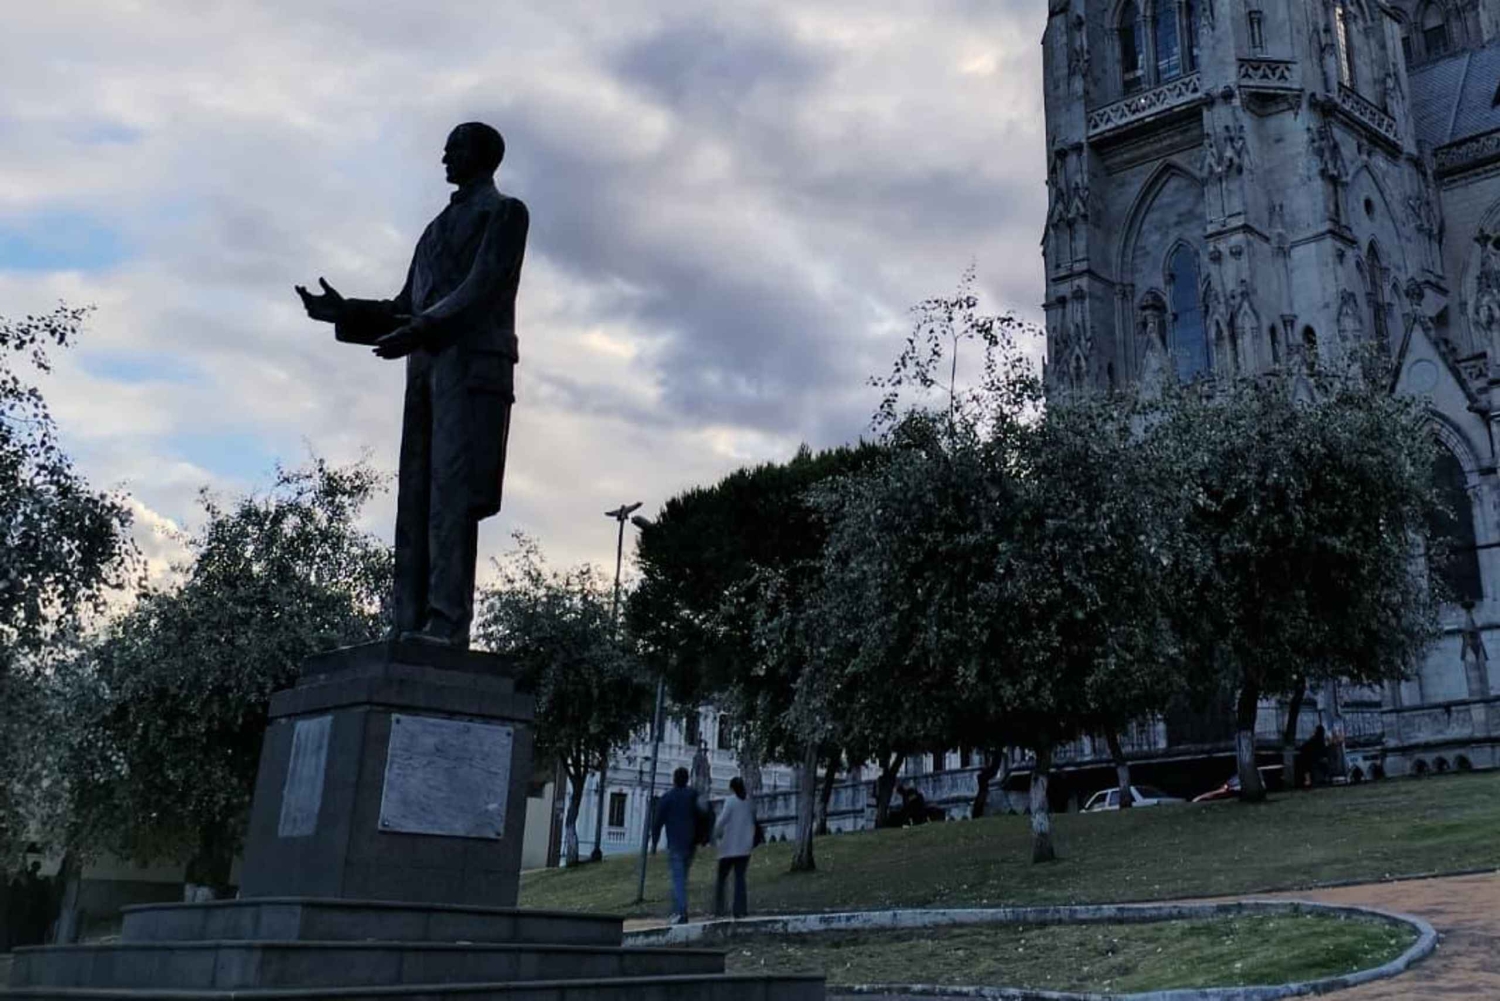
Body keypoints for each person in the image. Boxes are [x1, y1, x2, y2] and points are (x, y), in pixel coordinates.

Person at [296, 121, 529, 648]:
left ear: (485, 156)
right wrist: (345, 312)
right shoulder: (433, 230)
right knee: (417, 497)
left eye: (456, 146)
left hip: (471, 371)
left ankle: (446, 625)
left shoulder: (505, 213)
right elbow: (407, 307)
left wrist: (423, 328)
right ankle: (408, 623)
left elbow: (481, 288)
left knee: (452, 497)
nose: (444, 154)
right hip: (425, 369)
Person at [652, 766, 707, 924]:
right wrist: (704, 837)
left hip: (676, 843)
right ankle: (677, 909)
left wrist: (654, 843)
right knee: (682, 878)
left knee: (678, 879)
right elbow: (704, 814)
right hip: (691, 842)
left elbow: (657, 822)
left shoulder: (668, 798)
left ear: (674, 780)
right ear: (687, 779)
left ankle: (680, 912)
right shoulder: (693, 795)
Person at [713, 776, 757, 919]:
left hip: (729, 848)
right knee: (740, 878)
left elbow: (721, 821)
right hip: (744, 848)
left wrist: (716, 834)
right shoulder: (749, 801)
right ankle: (740, 909)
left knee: (721, 879)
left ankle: (719, 909)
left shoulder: (730, 801)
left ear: (731, 788)